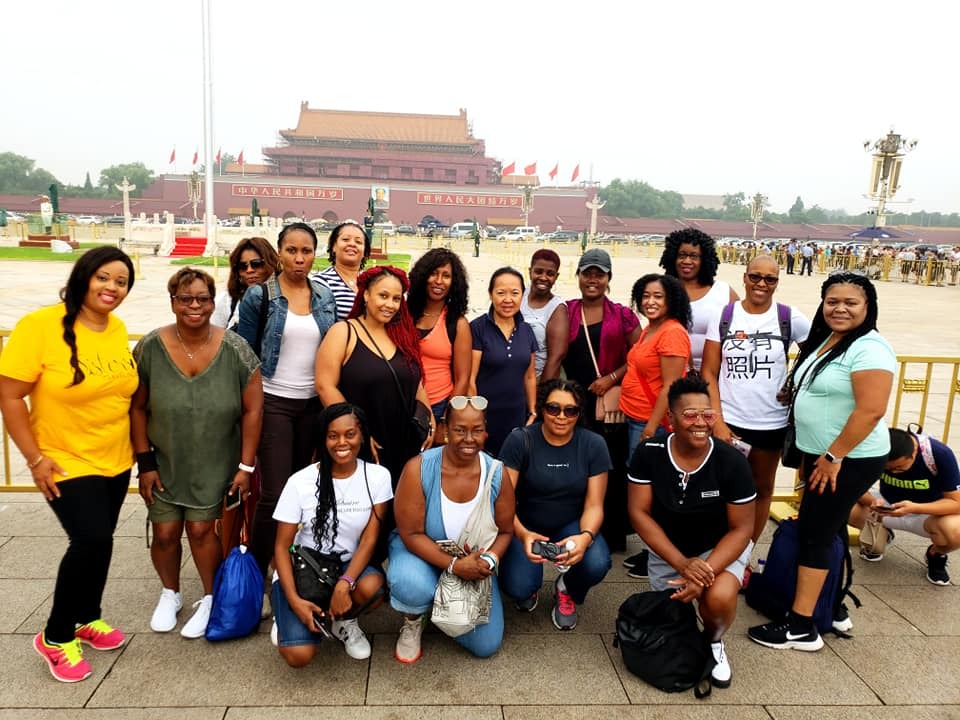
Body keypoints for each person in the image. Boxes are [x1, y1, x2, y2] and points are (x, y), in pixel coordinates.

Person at [0, 247, 138, 683]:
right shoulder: (40, 326)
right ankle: (56, 636)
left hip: (115, 458)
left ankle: (86, 617)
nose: (111, 288)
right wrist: (34, 458)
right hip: (63, 461)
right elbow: (9, 395)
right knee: (89, 539)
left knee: (102, 540)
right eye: (103, 277)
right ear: (83, 277)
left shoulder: (115, 328)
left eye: (120, 281)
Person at [748, 272, 895, 651]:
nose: (840, 309)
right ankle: (832, 604)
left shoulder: (870, 348)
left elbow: (872, 410)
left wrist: (833, 456)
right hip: (823, 455)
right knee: (824, 529)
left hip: (846, 457)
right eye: (833, 301)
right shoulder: (832, 339)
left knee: (816, 534)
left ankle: (800, 627)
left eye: (851, 303)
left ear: (868, 307)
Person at [132, 268, 263, 639]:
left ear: (212, 302)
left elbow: (254, 408)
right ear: (172, 301)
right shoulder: (150, 348)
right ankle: (170, 593)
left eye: (203, 298)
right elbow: (137, 408)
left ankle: (209, 597)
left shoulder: (235, 348)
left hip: (216, 458)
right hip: (165, 460)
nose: (195, 306)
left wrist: (245, 466)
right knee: (165, 530)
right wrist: (144, 462)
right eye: (185, 298)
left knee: (203, 529)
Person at [627, 376, 756, 689]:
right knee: (673, 607)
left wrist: (704, 571)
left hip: (718, 549)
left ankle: (713, 641)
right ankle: (687, 633)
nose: (701, 422)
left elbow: (742, 529)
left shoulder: (731, 462)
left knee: (718, 598)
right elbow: (638, 513)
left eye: (708, 415)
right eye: (690, 415)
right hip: (670, 550)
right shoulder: (649, 453)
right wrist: (682, 563)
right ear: (670, 418)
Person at [237, 222, 337, 587]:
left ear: (315, 254)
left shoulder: (324, 296)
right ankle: (257, 572)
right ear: (279, 253)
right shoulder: (259, 296)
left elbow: (333, 350)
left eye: (306, 251)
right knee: (274, 493)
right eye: (292, 250)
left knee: (302, 490)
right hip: (274, 401)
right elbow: (244, 355)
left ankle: (290, 565)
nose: (299, 258)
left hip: (313, 405)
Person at [387, 396, 515, 662]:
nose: (469, 438)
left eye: (477, 430)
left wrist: (488, 561)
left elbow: (505, 531)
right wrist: (456, 566)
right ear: (445, 430)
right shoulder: (419, 468)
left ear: (486, 432)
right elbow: (410, 533)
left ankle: (437, 602)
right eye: (460, 430)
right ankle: (413, 617)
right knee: (409, 583)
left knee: (486, 645)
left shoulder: (496, 473)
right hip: (421, 554)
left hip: (473, 561)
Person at [701, 256, 811, 546]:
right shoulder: (725, 315)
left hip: (770, 421)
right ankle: (717, 546)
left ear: (777, 282)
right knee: (722, 487)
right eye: (755, 277)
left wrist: (794, 382)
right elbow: (709, 372)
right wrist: (718, 421)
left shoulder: (788, 316)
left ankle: (744, 553)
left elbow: (818, 353)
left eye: (770, 279)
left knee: (761, 489)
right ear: (745, 277)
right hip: (731, 421)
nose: (762, 284)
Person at [271, 403, 391, 665]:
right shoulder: (300, 482)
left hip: (345, 565)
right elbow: (281, 547)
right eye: (333, 435)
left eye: (350, 434)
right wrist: (294, 600)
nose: (342, 442)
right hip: (304, 567)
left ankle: (342, 622)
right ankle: (288, 612)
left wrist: (344, 583)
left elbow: (370, 539)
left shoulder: (378, 477)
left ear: (362, 436)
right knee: (298, 656)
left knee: (373, 587)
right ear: (323, 439)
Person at [499, 379, 611, 630]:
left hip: (571, 523)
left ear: (579, 413)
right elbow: (502, 501)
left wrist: (586, 536)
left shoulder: (593, 445)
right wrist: (522, 533)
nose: (561, 416)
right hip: (525, 523)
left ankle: (567, 587)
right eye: (553, 408)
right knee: (518, 586)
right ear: (541, 408)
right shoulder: (520, 440)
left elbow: (595, 505)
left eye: (570, 410)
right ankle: (528, 588)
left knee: (597, 562)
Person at [316, 265, 434, 487]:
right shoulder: (344, 332)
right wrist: (356, 432)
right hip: (364, 442)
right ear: (366, 295)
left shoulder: (403, 336)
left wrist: (428, 419)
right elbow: (325, 385)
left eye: (396, 299)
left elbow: (416, 381)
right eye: (383, 296)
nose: (390, 304)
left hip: (404, 440)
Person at [562, 248, 641, 557]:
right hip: (574, 405)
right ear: (579, 276)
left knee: (610, 466)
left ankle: (613, 532)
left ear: (609, 278)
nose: (593, 279)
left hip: (609, 408)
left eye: (599, 273)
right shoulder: (567, 310)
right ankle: (580, 525)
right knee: (577, 466)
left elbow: (640, 355)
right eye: (587, 273)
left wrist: (611, 378)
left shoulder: (622, 314)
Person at [849, 427, 960, 585]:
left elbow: (956, 503)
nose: (893, 472)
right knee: (842, 506)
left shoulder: (939, 454)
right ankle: (880, 536)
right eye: (887, 469)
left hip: (929, 513)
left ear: (914, 452)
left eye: (899, 467)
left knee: (956, 531)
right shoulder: (873, 448)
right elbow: (853, 486)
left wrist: (915, 508)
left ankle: (936, 554)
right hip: (887, 507)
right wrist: (871, 501)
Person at [620, 273, 691, 456]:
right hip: (634, 416)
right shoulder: (650, 328)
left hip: (650, 422)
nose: (650, 302)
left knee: (643, 475)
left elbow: (670, 386)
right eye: (645, 296)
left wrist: (650, 429)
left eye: (658, 297)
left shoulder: (672, 333)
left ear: (671, 300)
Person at [469, 267, 537, 457]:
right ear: (491, 294)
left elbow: (530, 376)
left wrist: (532, 412)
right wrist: (476, 416)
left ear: (523, 295)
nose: (508, 299)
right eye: (501, 293)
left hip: (516, 416)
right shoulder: (477, 328)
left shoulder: (527, 331)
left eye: (515, 293)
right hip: (485, 417)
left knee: (512, 468)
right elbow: (470, 378)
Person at [407, 248, 472, 441]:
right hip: (402, 402)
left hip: (438, 406)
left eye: (446, 276)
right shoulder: (404, 315)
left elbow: (463, 379)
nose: (438, 281)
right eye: (433, 273)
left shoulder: (457, 324)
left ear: (454, 283)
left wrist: (445, 419)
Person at [659, 228, 738, 373]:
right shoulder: (662, 290)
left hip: (716, 373)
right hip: (671, 370)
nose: (687, 261)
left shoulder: (724, 291)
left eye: (694, 256)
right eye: (682, 255)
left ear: (705, 260)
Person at [520, 249, 569, 381]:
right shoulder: (518, 295)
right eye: (538, 272)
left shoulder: (557, 309)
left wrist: (542, 394)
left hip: (539, 378)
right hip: (511, 378)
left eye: (550, 274)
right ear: (530, 271)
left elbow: (555, 358)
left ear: (556, 277)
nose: (543, 278)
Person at [211, 236, 279, 329]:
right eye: (242, 266)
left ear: (271, 263)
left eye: (256, 264)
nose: (249, 270)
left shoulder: (285, 299)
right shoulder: (226, 301)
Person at [313, 220, 371, 320]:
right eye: (345, 239)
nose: (352, 244)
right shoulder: (321, 282)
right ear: (334, 246)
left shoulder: (372, 281)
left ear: (365, 251)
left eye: (358, 242)